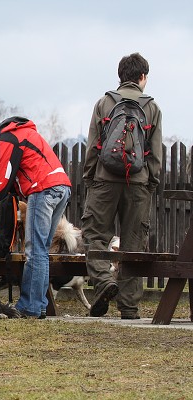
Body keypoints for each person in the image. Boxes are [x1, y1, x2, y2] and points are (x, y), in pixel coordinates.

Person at [0, 117, 71, 319]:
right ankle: (40, 305)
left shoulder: (5, 140)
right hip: (62, 187)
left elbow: (2, 178)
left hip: (42, 189)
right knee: (41, 250)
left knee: (34, 251)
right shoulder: (23, 132)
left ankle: (29, 307)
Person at [82, 52, 162, 319]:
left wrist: (90, 178)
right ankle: (129, 308)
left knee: (95, 236)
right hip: (137, 183)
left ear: (120, 76)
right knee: (133, 243)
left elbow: (93, 145)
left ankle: (104, 282)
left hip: (105, 180)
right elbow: (156, 152)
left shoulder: (104, 103)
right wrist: (150, 182)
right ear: (142, 77)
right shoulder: (152, 107)